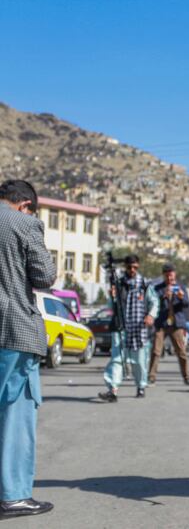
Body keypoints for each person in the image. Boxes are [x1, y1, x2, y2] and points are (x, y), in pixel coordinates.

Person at [0, 180, 56, 519]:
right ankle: (14, 494)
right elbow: (45, 276)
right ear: (25, 205)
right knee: (16, 413)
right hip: (12, 330)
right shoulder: (23, 223)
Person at [99, 255, 158, 401]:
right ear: (125, 267)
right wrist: (112, 297)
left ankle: (141, 386)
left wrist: (150, 315)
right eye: (129, 267)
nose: (132, 270)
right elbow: (111, 307)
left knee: (139, 361)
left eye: (135, 267)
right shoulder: (118, 283)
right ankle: (113, 390)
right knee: (117, 359)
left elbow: (154, 302)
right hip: (121, 327)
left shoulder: (144, 284)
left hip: (139, 328)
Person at [149, 264, 189, 387]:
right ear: (164, 275)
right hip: (161, 324)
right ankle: (151, 377)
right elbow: (153, 302)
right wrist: (164, 295)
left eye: (171, 274)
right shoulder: (158, 288)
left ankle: (187, 377)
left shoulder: (181, 287)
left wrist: (181, 297)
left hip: (176, 323)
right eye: (167, 275)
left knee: (181, 352)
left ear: (175, 274)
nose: (169, 277)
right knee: (156, 351)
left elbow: (186, 304)